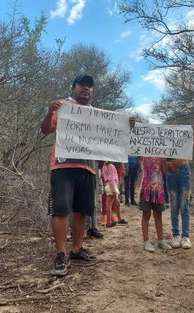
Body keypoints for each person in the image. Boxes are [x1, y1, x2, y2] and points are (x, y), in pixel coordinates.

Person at [41, 74, 98, 276]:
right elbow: (45, 129)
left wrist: (128, 125)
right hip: (62, 166)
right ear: (73, 88)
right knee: (61, 210)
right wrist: (50, 112)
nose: (86, 89)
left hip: (88, 168)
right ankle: (61, 254)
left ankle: (77, 249)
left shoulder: (97, 114)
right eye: (82, 85)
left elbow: (113, 139)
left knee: (82, 211)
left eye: (90, 86)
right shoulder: (62, 107)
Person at [139, 157, 172, 252]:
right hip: (146, 187)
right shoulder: (144, 153)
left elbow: (165, 172)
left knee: (158, 214)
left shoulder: (162, 154)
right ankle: (146, 242)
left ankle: (160, 240)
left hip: (158, 188)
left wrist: (165, 160)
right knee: (146, 214)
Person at [166, 159, 192, 249]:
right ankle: (176, 235)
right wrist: (167, 163)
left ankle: (185, 236)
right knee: (174, 206)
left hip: (184, 168)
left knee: (184, 205)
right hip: (170, 171)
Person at [101, 161, 127, 227]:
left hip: (108, 185)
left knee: (116, 202)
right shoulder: (111, 166)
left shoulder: (104, 166)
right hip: (112, 186)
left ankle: (119, 218)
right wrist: (113, 189)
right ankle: (109, 222)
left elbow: (103, 175)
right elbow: (111, 179)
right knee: (109, 204)